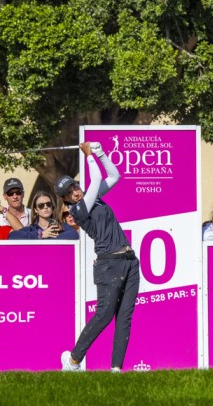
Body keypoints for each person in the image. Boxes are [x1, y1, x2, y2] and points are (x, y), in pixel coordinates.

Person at [56, 142, 139, 373]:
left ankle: (116, 370)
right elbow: (94, 181)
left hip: (130, 261)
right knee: (104, 314)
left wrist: (100, 152)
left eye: (75, 185)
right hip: (108, 264)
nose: (75, 190)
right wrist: (89, 156)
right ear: (66, 199)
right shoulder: (79, 209)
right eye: (70, 192)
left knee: (124, 317)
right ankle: (73, 361)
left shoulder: (96, 199)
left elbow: (114, 175)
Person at [8, 191, 78, 240]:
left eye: (48, 204)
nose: (45, 207)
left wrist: (46, 239)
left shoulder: (61, 226)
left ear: (52, 207)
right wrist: (40, 235)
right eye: (41, 205)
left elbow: (74, 234)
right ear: (35, 210)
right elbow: (12, 236)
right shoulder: (31, 229)